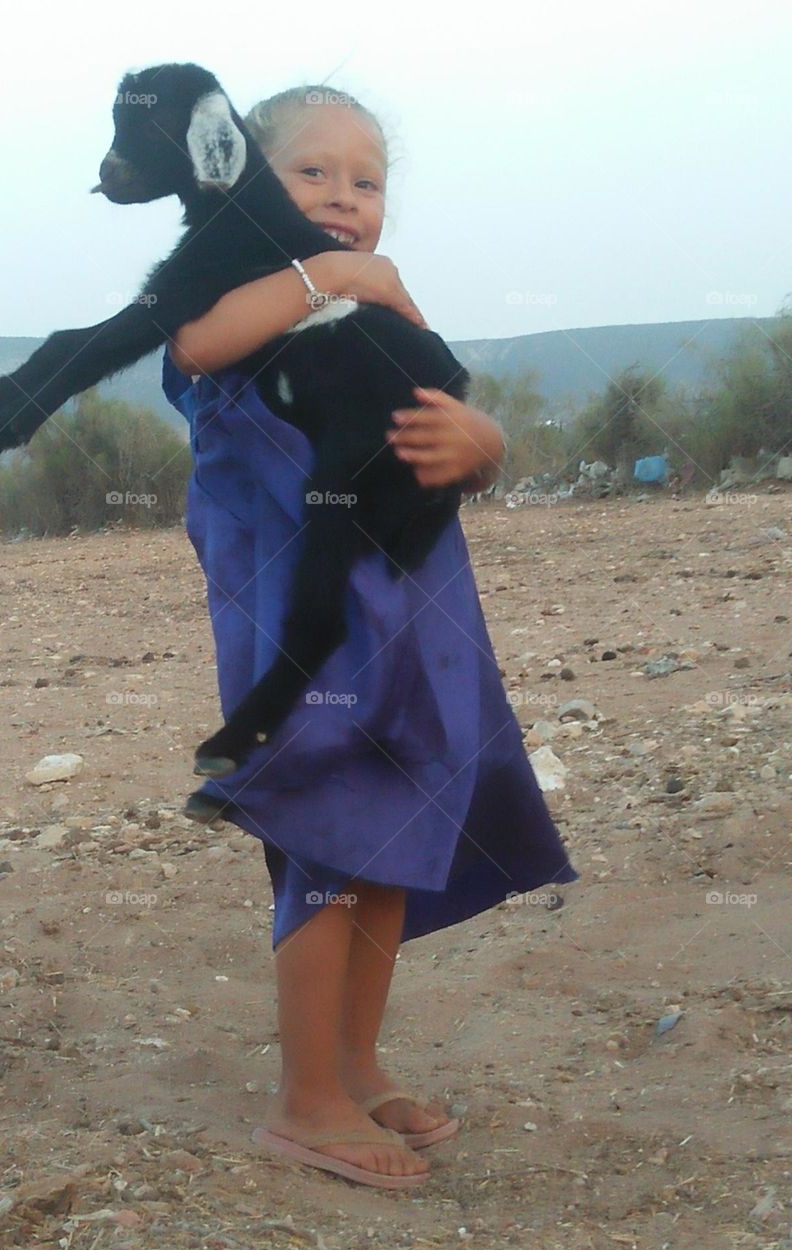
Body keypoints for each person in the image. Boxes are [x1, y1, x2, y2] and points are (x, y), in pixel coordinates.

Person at [162, 84, 580, 1188]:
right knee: (328, 839)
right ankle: (305, 1098)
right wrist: (333, 273)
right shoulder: (236, 290)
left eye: (366, 182)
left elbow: (446, 424)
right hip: (306, 637)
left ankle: (353, 1063)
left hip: (414, 620)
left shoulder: (379, 310)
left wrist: (480, 439)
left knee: (393, 836)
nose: (344, 199)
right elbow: (196, 347)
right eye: (311, 174)